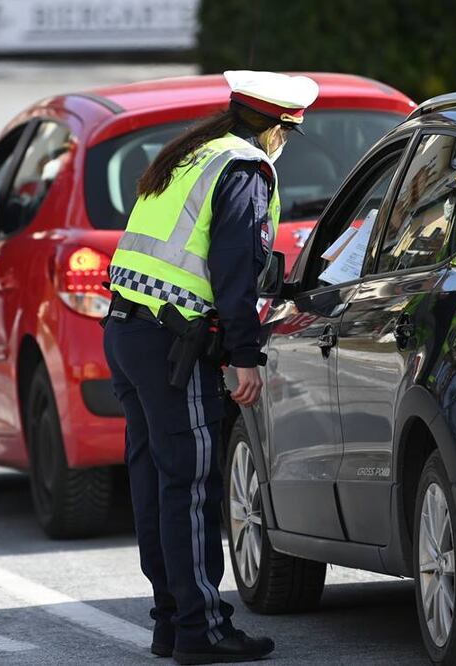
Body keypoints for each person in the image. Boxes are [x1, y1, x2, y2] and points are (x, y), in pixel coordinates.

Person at [102, 70, 319, 665]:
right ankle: (202, 628)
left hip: (127, 330)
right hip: (175, 342)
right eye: (286, 136)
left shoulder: (189, 154)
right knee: (192, 487)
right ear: (277, 126)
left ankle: (171, 620)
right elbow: (235, 271)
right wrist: (245, 355)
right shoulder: (245, 168)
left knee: (155, 482)